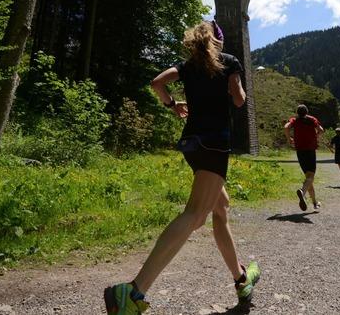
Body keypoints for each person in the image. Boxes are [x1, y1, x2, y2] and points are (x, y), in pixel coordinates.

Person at [103, 21, 260, 315]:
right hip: (215, 145)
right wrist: (234, 88)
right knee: (195, 215)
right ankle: (133, 292)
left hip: (192, 145)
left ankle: (240, 279)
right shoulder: (228, 62)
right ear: (219, 42)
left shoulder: (186, 66)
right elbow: (239, 100)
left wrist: (172, 104)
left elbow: (157, 83)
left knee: (220, 206)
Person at [284, 104, 324, 211]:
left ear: (297, 112)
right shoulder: (312, 120)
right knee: (310, 177)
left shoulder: (294, 120)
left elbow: (286, 127)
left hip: (300, 151)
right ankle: (302, 191)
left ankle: (315, 202)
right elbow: (321, 130)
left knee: (308, 177)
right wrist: (317, 137)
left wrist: (289, 139)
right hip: (310, 150)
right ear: (307, 112)